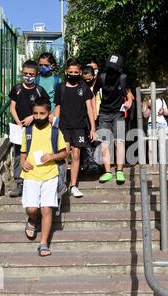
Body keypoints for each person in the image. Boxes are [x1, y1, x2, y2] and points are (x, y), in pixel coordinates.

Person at [20, 97, 67, 257]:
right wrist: (23, 162)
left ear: (49, 114)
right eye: (35, 113)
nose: (39, 116)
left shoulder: (55, 132)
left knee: (46, 209)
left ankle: (43, 243)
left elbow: (64, 153)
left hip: (50, 175)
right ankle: (33, 219)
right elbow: (23, 153)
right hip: (31, 174)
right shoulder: (27, 131)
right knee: (32, 209)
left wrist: (52, 156)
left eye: (42, 113)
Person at [54, 58, 97, 197]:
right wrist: (54, 127)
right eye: (70, 71)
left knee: (76, 154)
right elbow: (57, 108)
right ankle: (63, 184)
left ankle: (73, 185)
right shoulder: (60, 88)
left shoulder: (84, 88)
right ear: (66, 71)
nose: (73, 74)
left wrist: (93, 128)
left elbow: (90, 109)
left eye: (76, 72)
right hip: (64, 126)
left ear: (80, 73)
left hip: (79, 127)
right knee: (65, 155)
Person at [8, 60, 49, 197]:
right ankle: (20, 183)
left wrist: (33, 116)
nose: (28, 76)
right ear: (22, 73)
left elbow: (45, 109)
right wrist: (19, 122)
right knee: (20, 154)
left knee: (36, 153)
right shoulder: (17, 89)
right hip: (19, 130)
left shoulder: (39, 90)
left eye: (31, 74)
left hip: (36, 128)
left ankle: (36, 181)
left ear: (36, 75)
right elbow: (12, 107)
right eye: (25, 74)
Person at [93, 53, 134, 183]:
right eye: (110, 68)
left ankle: (120, 171)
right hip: (104, 114)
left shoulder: (123, 78)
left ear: (119, 69)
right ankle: (108, 172)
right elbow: (92, 94)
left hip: (119, 114)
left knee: (119, 141)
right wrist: (94, 111)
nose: (111, 71)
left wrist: (129, 102)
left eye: (114, 69)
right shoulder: (102, 77)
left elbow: (129, 95)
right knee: (105, 144)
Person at [143, 95, 168, 164]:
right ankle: (151, 165)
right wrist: (150, 107)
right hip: (151, 123)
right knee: (151, 148)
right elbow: (145, 115)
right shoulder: (146, 100)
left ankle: (163, 165)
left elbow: (167, 113)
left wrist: (163, 111)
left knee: (163, 147)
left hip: (162, 123)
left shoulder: (161, 99)